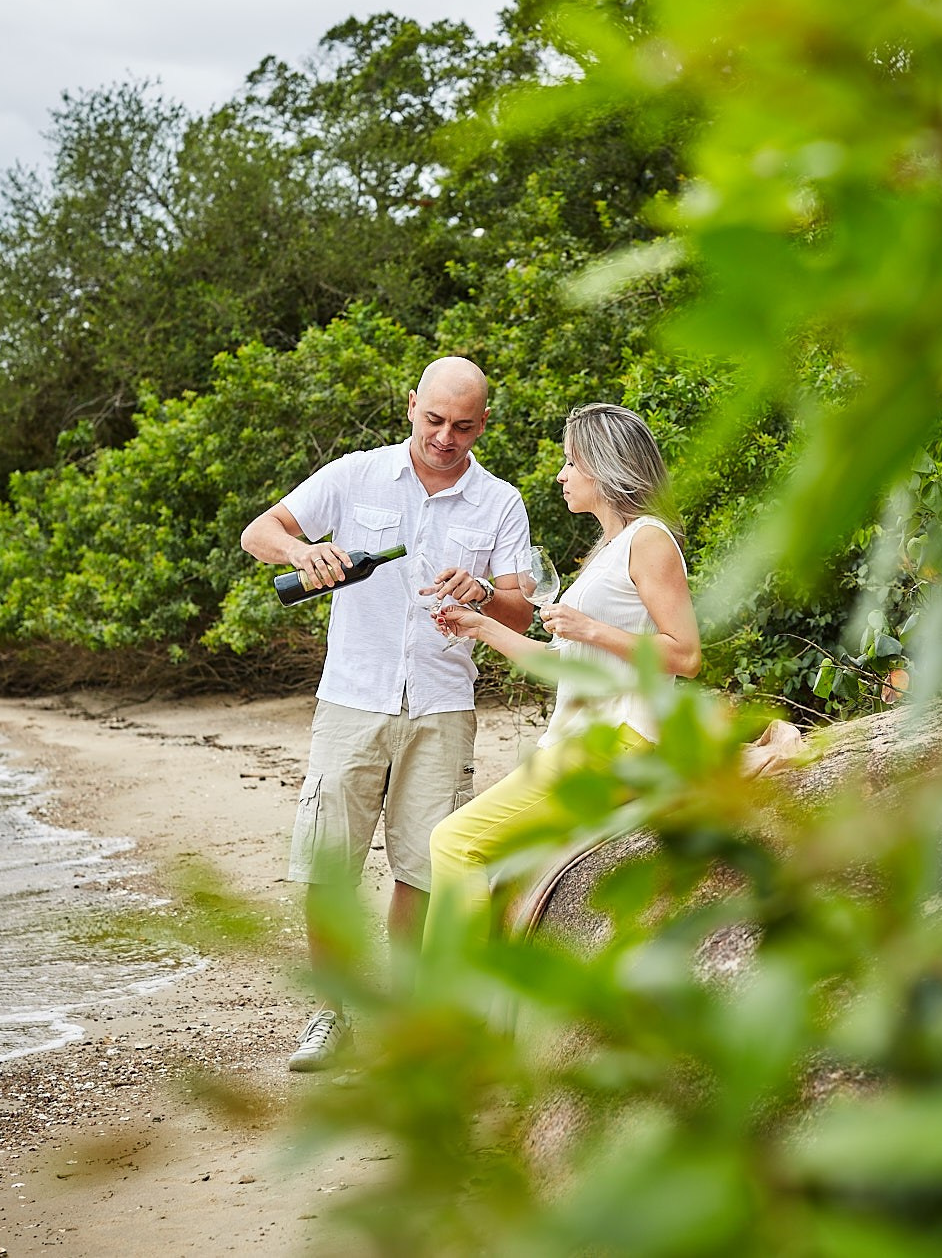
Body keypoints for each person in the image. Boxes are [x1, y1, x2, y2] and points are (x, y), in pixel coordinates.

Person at [240, 356, 534, 1070]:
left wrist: (484, 593)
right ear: (411, 406)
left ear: (483, 424)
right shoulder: (355, 474)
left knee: (423, 867)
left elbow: (523, 607)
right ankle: (331, 1014)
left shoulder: (501, 501)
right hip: (352, 696)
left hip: (443, 705)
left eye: (463, 426)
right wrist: (302, 550)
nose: (445, 437)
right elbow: (260, 532)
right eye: (434, 420)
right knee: (326, 863)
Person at [425, 402, 701, 949]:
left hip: (618, 744)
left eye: (570, 462)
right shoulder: (608, 550)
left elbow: (685, 655)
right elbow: (561, 663)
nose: (561, 475)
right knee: (492, 863)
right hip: (581, 741)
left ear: (603, 467)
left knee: (455, 843)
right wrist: (478, 626)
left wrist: (588, 628)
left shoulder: (649, 540)